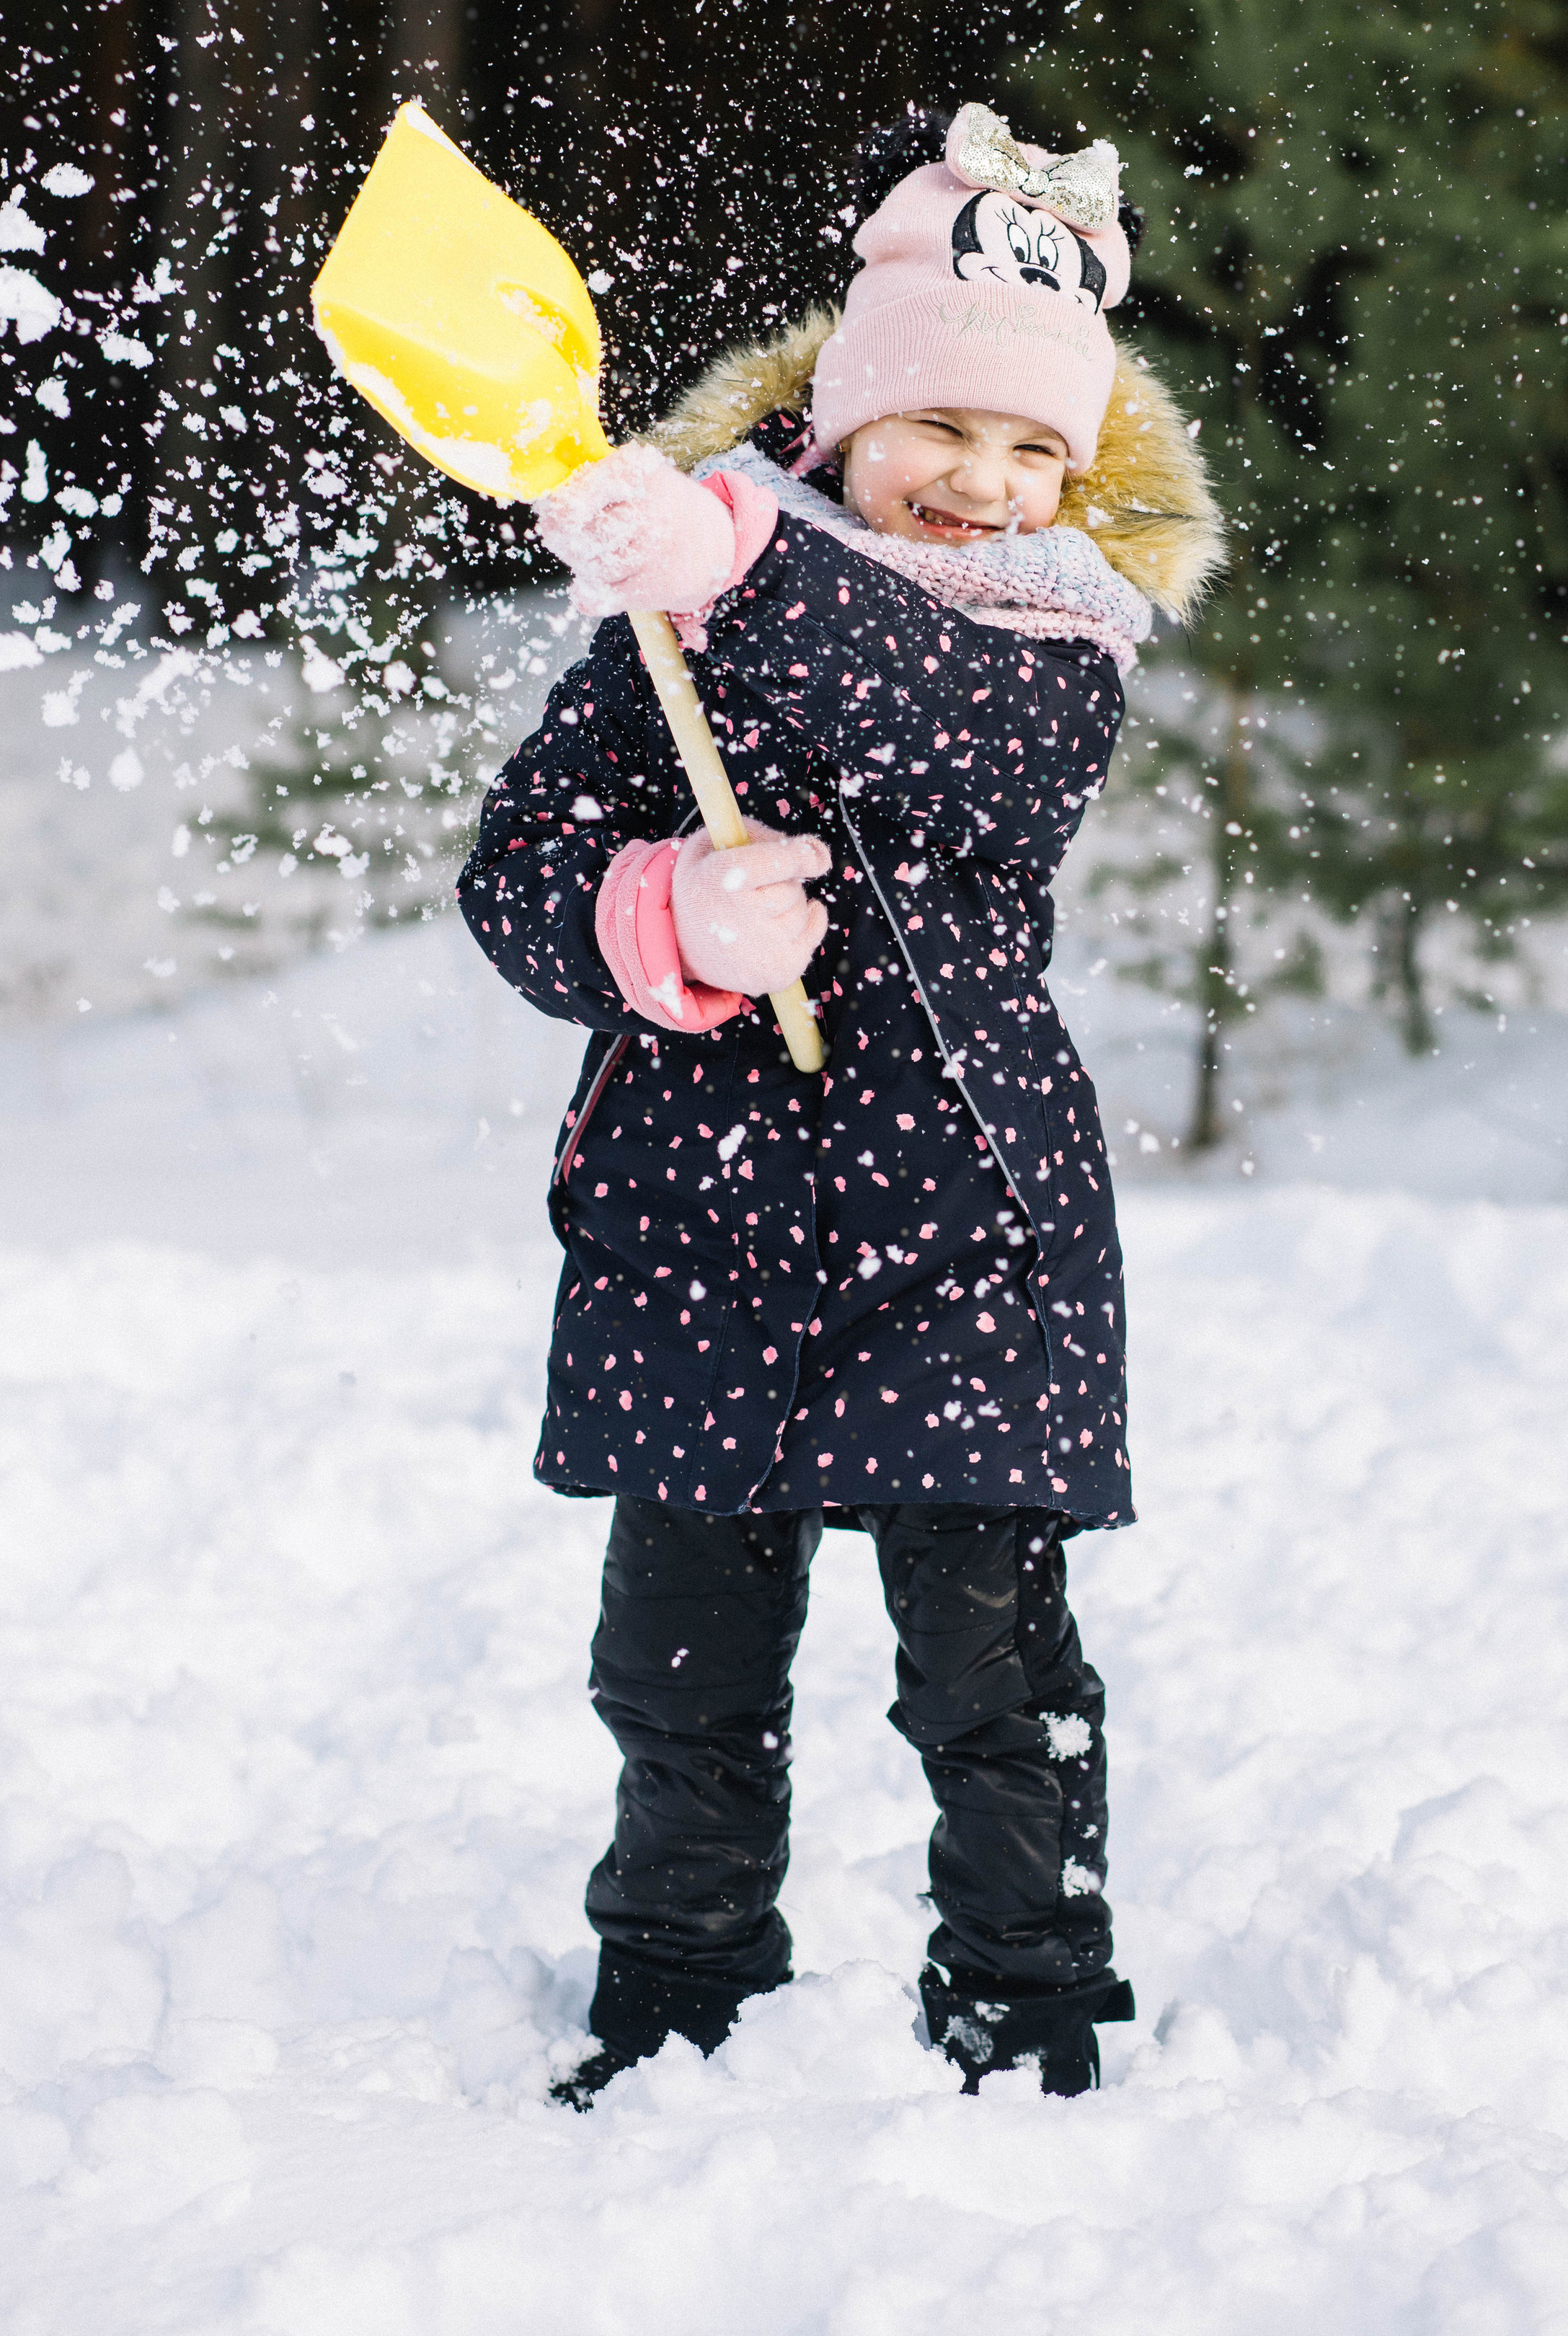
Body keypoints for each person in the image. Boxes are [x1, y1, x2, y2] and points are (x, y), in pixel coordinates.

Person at [457, 101, 1222, 2104]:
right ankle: (676, 1992)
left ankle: (1032, 2003)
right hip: (697, 1210)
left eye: (1033, 447)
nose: (982, 479)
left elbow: (949, 731)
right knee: (679, 1670)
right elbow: (520, 870)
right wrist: (662, 915)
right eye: (940, 432)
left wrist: (741, 566)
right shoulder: (669, 612)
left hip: (968, 1216)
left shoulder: (1058, 629)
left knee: (990, 1672)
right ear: (843, 420)